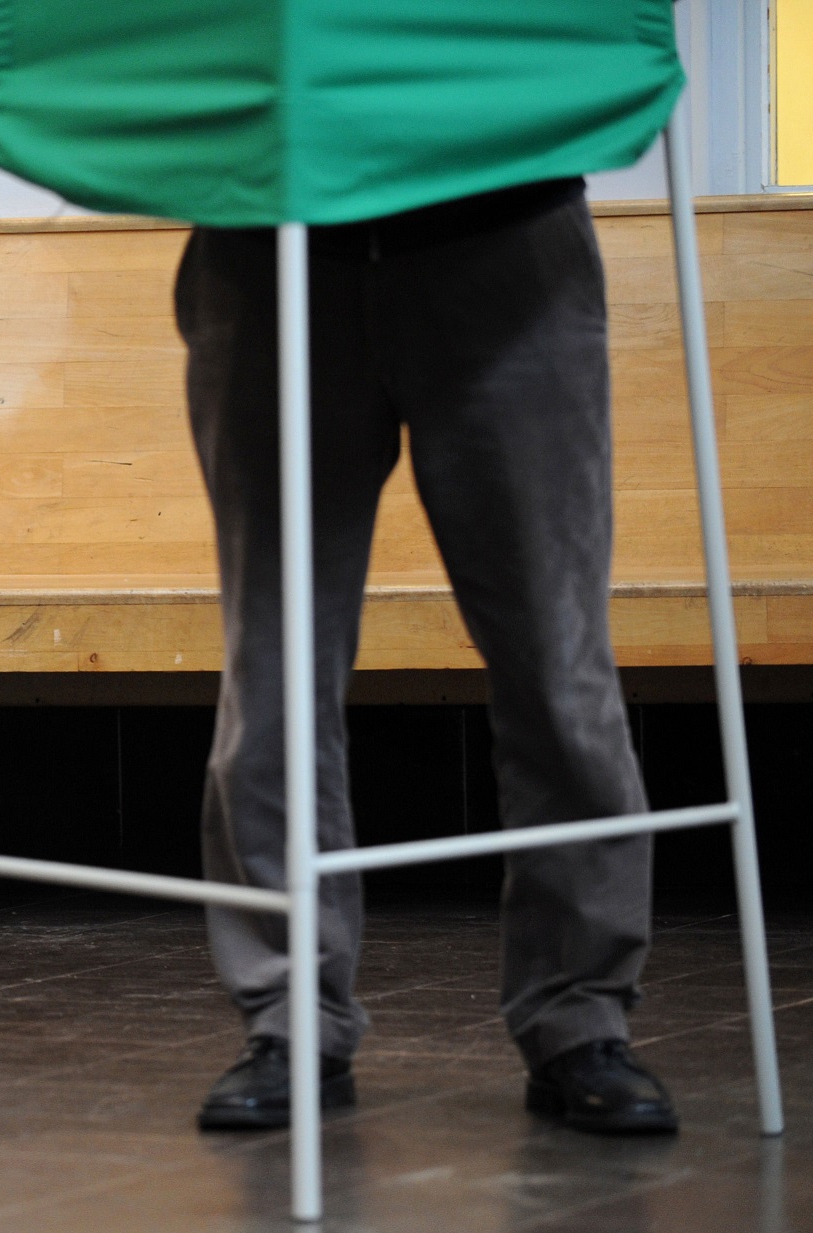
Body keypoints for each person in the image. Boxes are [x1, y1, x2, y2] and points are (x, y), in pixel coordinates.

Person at [178, 178, 679, 1134]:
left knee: (555, 662)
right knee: (274, 672)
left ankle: (581, 1014)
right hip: (268, 238)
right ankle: (289, 1016)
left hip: (505, 226)